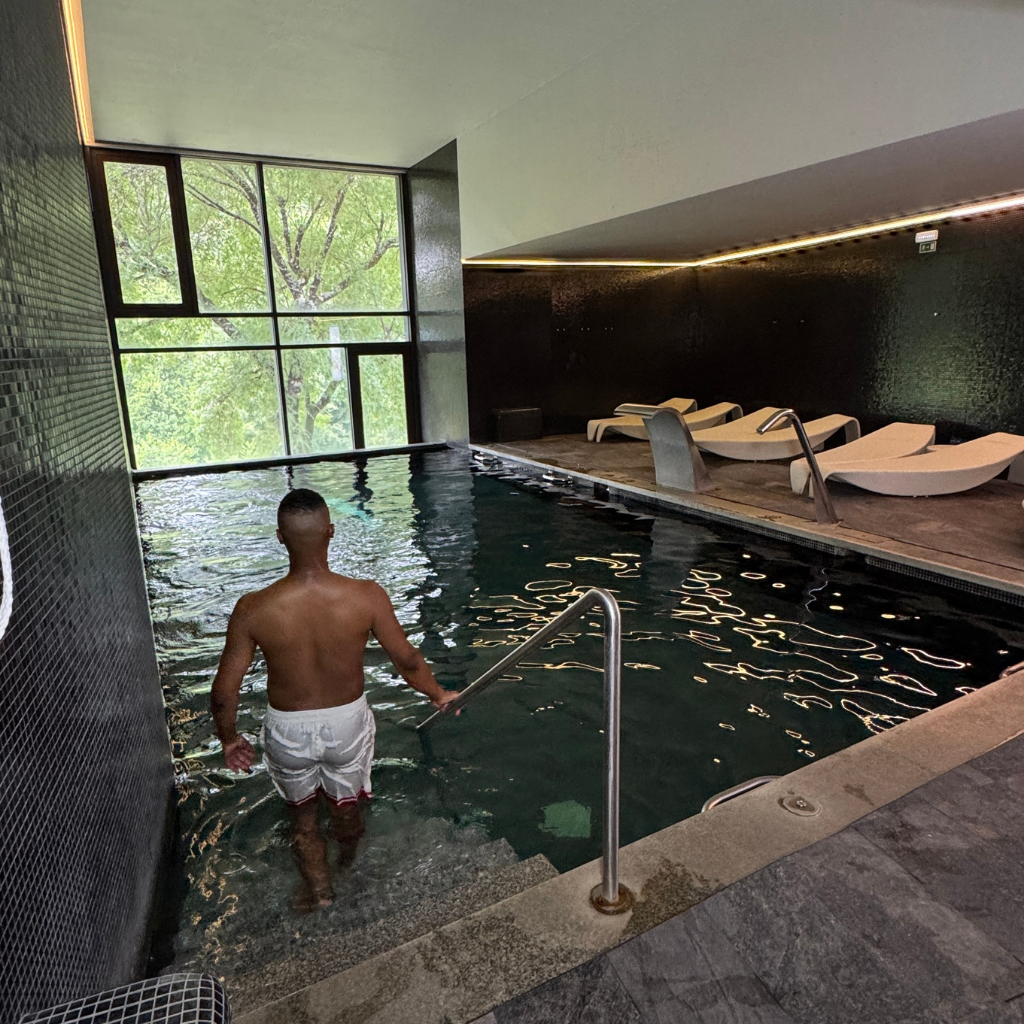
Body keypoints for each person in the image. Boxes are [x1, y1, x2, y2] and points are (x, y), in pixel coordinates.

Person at [210, 487, 459, 912]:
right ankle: (347, 868)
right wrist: (438, 694)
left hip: (287, 729)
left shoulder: (253, 608)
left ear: (280, 538)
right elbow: (407, 660)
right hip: (347, 723)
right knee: (346, 809)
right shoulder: (366, 595)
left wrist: (229, 738)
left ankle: (321, 893)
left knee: (303, 820)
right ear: (331, 532)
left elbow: (223, 691)